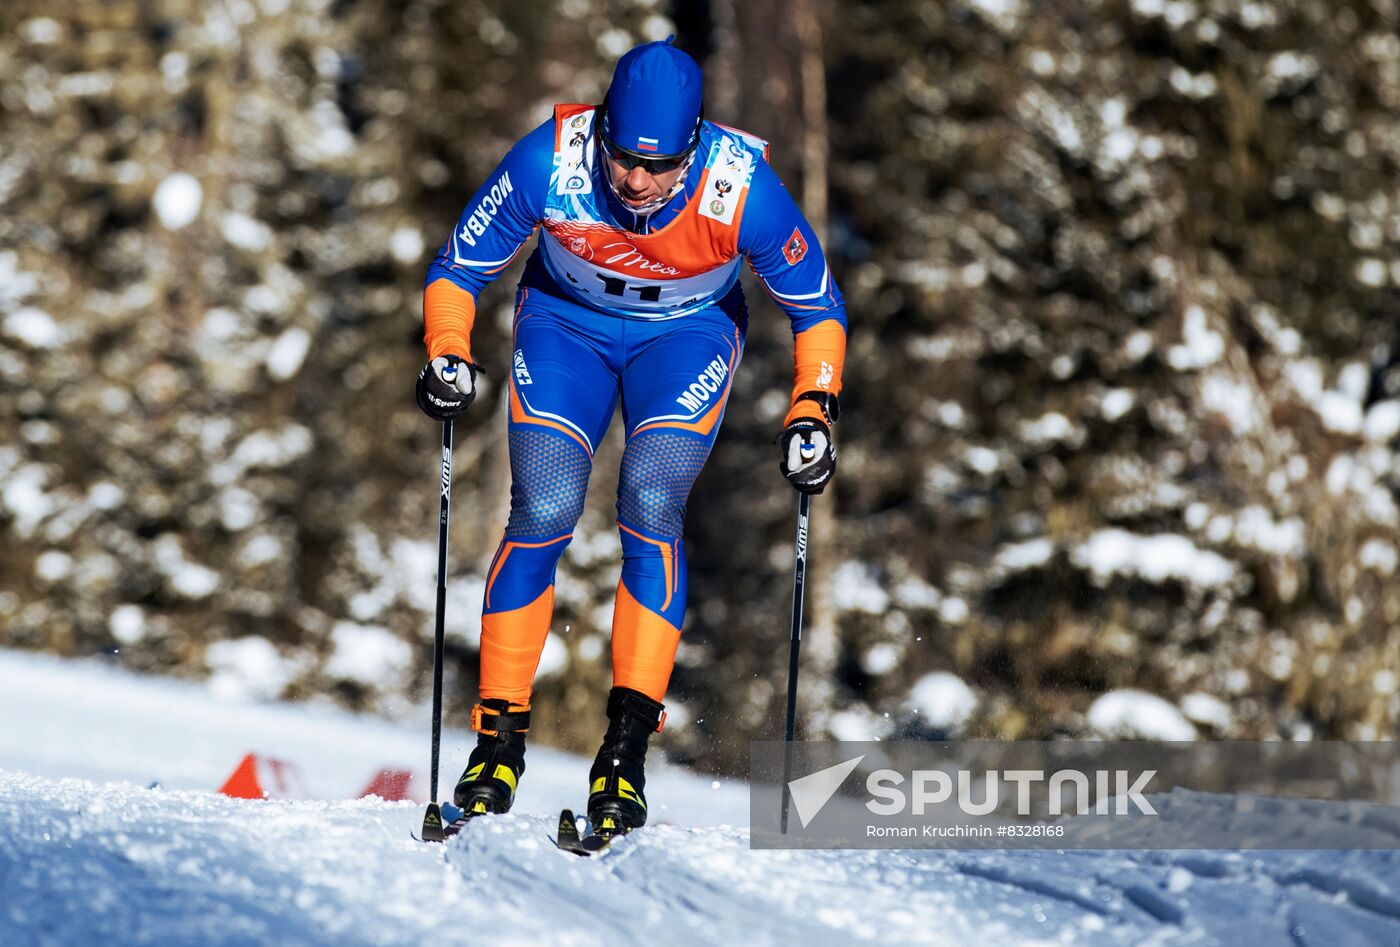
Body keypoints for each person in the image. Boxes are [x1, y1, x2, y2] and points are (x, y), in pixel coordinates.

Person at [414, 38, 846, 836]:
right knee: (542, 507)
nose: (637, 182)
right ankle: (497, 739)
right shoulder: (553, 160)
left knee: (652, 499)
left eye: (661, 166)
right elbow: (457, 268)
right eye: (622, 159)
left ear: (696, 145)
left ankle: (624, 751)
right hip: (564, 326)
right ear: (603, 131)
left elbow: (818, 307)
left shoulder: (740, 188)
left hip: (686, 335)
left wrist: (813, 407)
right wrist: (447, 350)